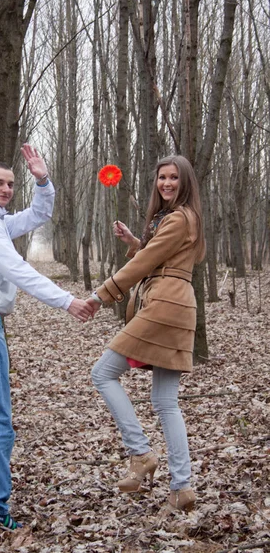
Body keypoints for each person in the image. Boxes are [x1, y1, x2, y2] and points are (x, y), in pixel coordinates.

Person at [0, 144, 93, 530]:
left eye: (11, 183)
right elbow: (16, 269)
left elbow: (39, 214)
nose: (6, 189)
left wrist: (42, 180)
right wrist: (66, 301)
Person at [87, 155, 206, 513]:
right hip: (178, 305)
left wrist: (100, 295)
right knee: (166, 403)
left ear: (185, 182)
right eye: (162, 178)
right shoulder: (182, 219)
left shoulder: (180, 217)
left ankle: (140, 453)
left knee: (103, 373)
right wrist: (136, 240)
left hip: (164, 307)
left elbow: (146, 263)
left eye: (173, 178)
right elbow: (159, 255)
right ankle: (181, 488)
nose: (166, 183)